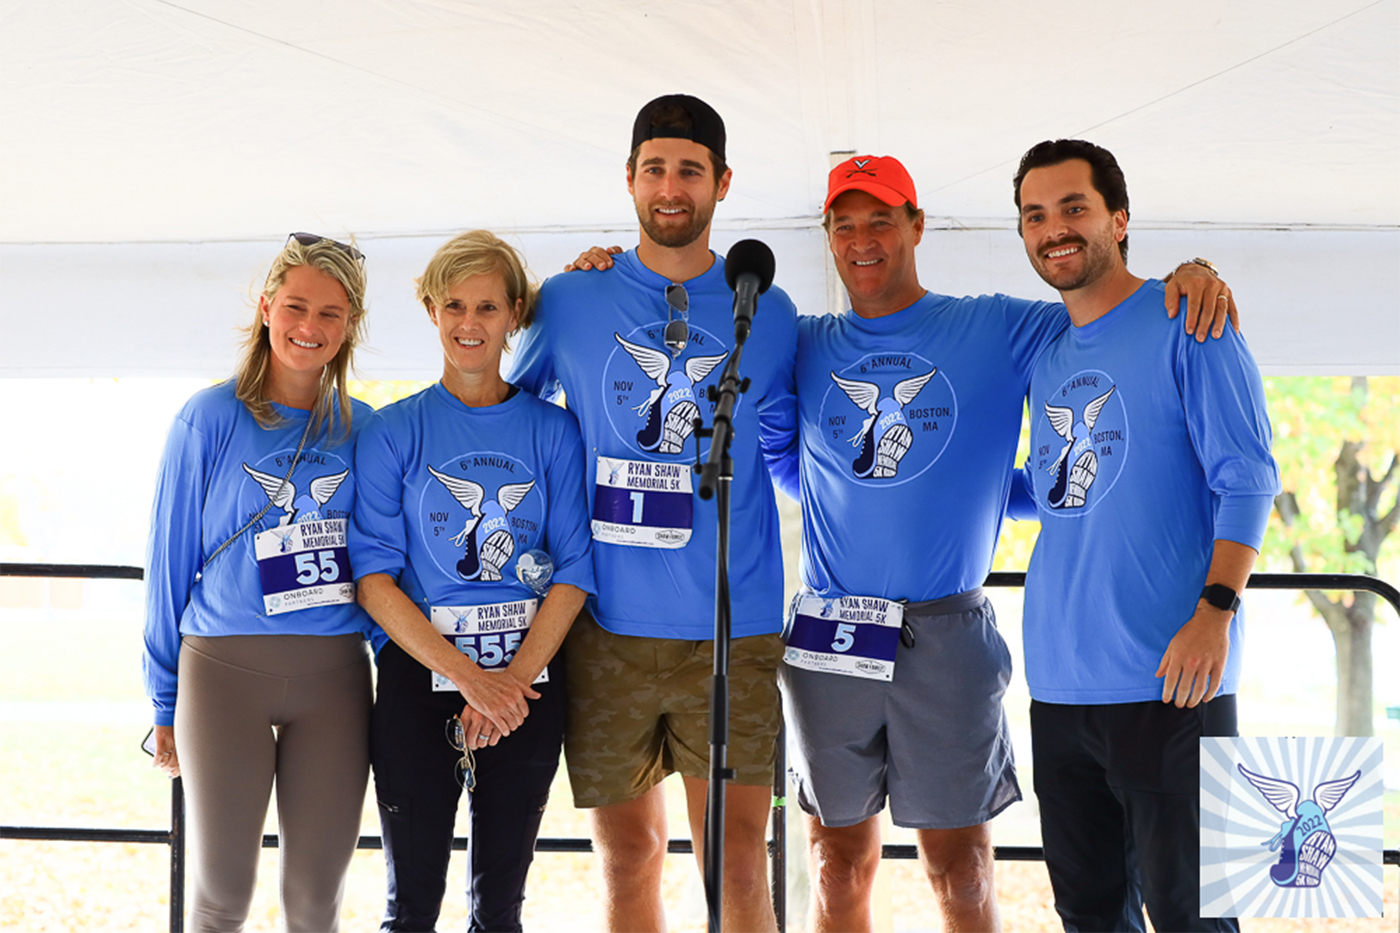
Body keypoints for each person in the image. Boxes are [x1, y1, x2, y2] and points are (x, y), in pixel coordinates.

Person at [570, 151, 1234, 931]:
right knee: (835, 862)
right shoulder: (804, 340)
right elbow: (780, 456)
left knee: (962, 871)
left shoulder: (996, 324)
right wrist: (602, 268)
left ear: (916, 225)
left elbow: (1103, 303)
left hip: (947, 633)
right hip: (830, 630)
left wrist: (1188, 272)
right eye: (844, 224)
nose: (862, 239)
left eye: (881, 220)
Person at [507, 94, 798, 932]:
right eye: (656, 169)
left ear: (722, 183)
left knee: (739, 863)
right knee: (628, 859)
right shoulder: (569, 299)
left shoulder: (767, 311)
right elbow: (512, 415)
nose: (672, 187)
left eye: (691, 171)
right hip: (605, 628)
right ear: (630, 179)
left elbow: (788, 448)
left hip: (733, 629)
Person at [1011, 139, 1278, 932]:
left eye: (1073, 208)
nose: (1054, 229)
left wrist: (1215, 615)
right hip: (1059, 683)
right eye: (1035, 215)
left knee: (1195, 917)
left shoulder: (1189, 320)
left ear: (1119, 219)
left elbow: (1250, 479)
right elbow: (1051, 490)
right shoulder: (1043, 350)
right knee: (1090, 914)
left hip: (1175, 678)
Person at [350, 230, 594, 932]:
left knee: (499, 910)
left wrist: (510, 681)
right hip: (419, 682)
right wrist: (470, 678)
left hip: (527, 685)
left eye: (487, 307)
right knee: (411, 908)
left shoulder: (554, 432)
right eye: (454, 304)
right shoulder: (395, 430)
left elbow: (574, 570)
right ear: (431, 309)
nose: (469, 323)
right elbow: (374, 579)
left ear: (515, 313)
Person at [143, 233, 374, 932]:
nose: (310, 327)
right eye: (297, 306)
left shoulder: (365, 429)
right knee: (220, 895)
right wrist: (162, 701)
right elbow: (168, 564)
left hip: (333, 677)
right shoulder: (208, 418)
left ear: (349, 327)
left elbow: (383, 565)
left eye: (331, 314)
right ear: (267, 307)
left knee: (315, 900)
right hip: (221, 674)